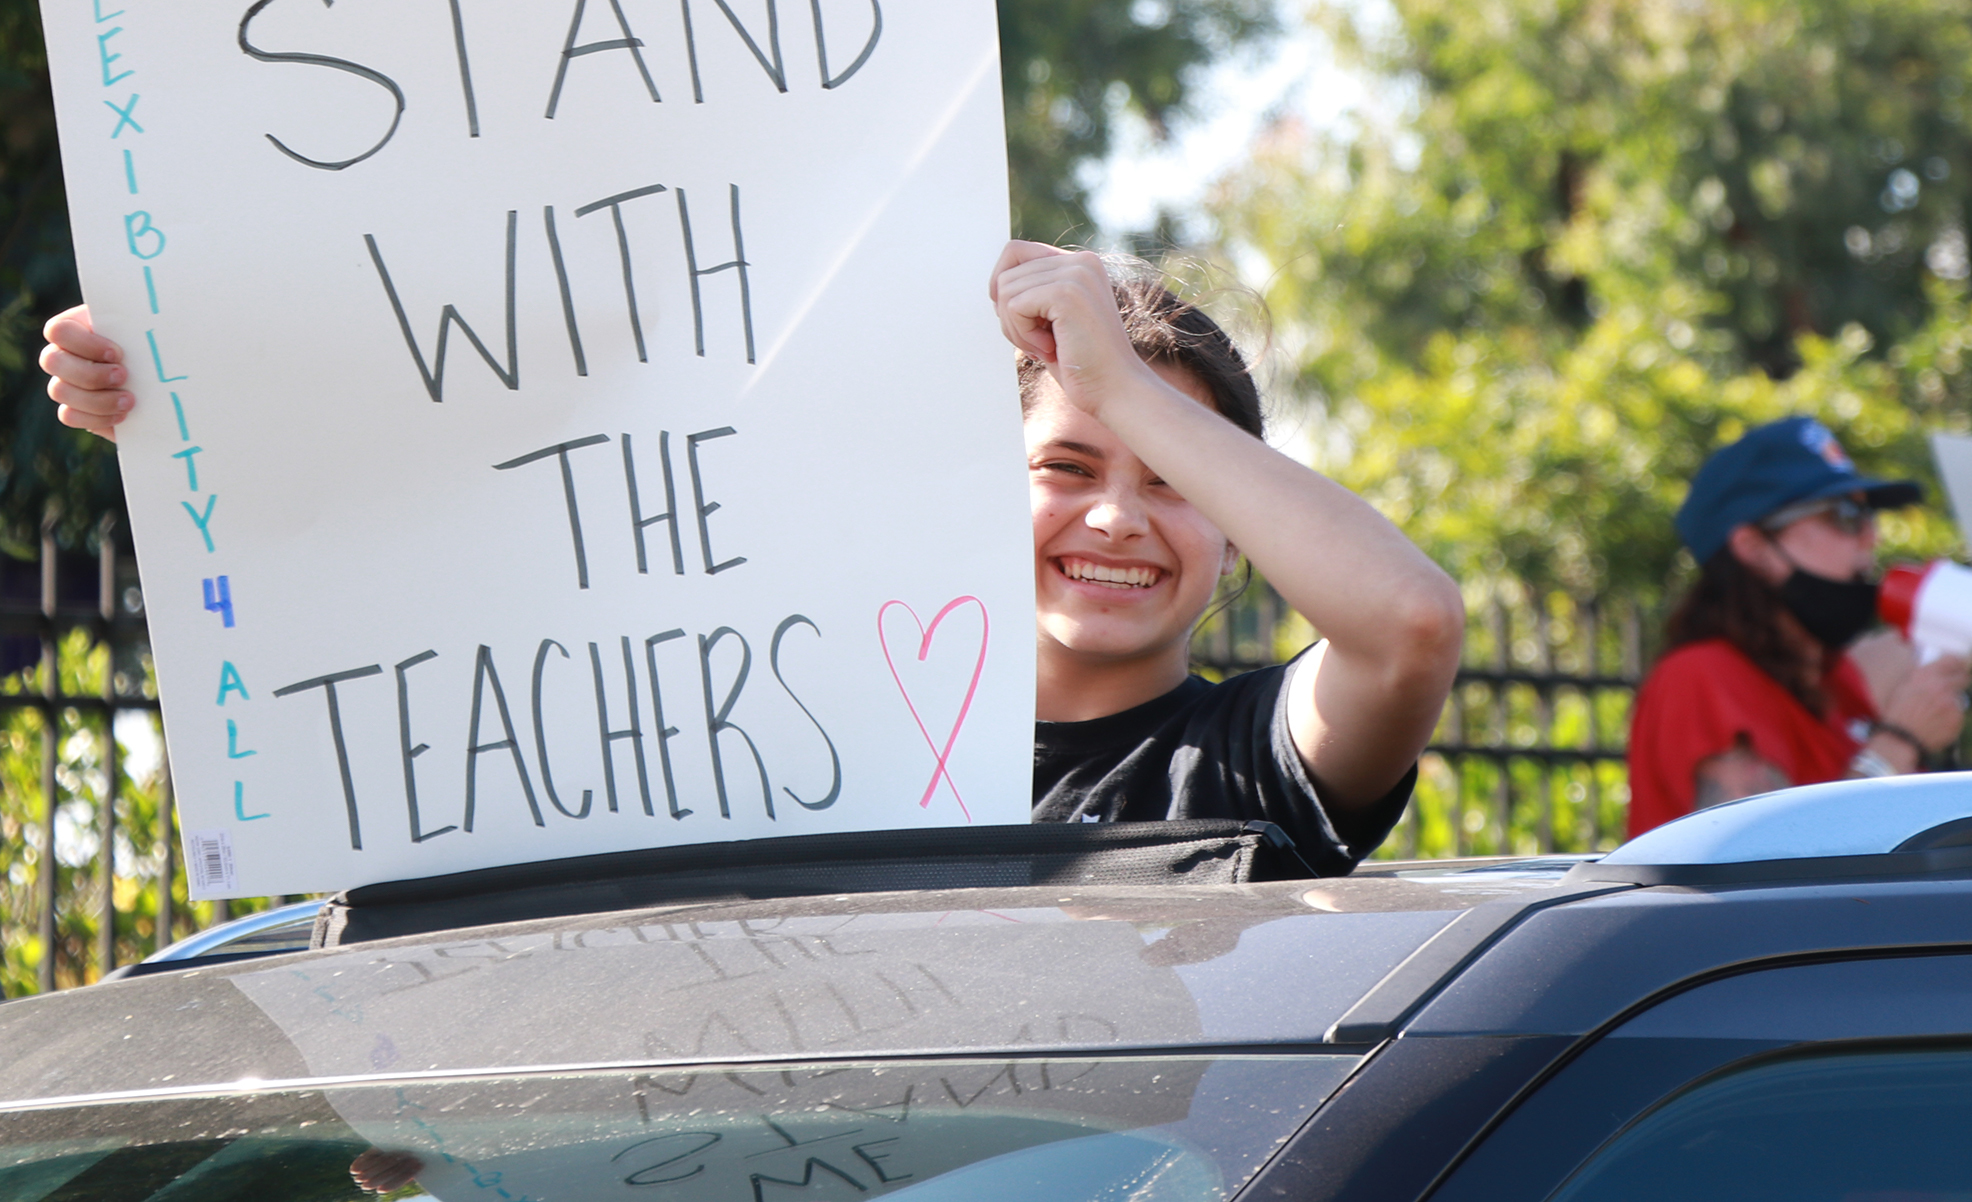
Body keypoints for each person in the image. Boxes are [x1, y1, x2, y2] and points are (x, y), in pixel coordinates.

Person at [40, 241, 1464, 876]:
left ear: (1235, 520)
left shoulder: (1241, 761)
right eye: (1066, 466)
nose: (1114, 517)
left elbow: (1406, 621)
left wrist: (1118, 378)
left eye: (1170, 480)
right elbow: (471, 561)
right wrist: (188, 411)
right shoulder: (784, 724)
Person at [1627, 416, 1971, 836]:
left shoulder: (1832, 682)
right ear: (1754, 548)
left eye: (1868, 516)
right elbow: (1760, 871)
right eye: (1845, 515)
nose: (1870, 537)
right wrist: (1898, 743)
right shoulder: (1701, 678)